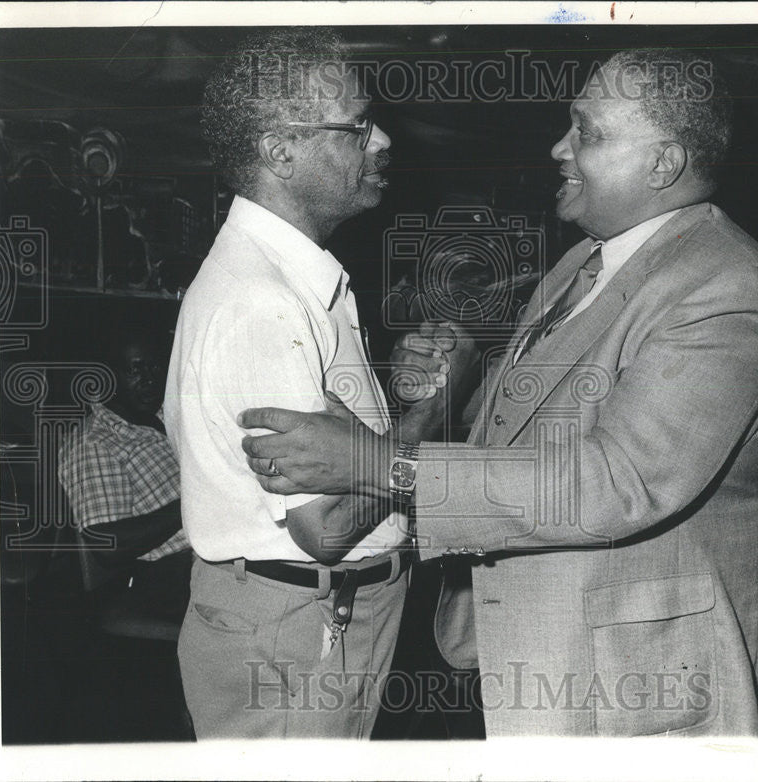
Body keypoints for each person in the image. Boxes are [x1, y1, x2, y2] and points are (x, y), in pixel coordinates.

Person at [237, 49, 758, 736]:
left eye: (587, 132)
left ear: (663, 164)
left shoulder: (723, 286)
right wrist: (456, 391)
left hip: (633, 689)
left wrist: (379, 466)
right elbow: (537, 428)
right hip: (550, 658)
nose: (560, 149)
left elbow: (616, 481)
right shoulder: (584, 261)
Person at [163, 28, 444, 738]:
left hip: (313, 621)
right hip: (302, 630)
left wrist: (391, 396)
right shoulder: (265, 302)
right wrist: (438, 409)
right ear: (279, 150)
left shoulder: (287, 278)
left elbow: (331, 453)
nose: (381, 141)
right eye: (357, 127)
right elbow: (325, 530)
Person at [58, 328, 192, 621]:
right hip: (167, 578)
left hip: (205, 556)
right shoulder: (95, 442)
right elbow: (107, 544)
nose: (149, 378)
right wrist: (194, 503)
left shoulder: (164, 416)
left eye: (155, 366)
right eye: (135, 369)